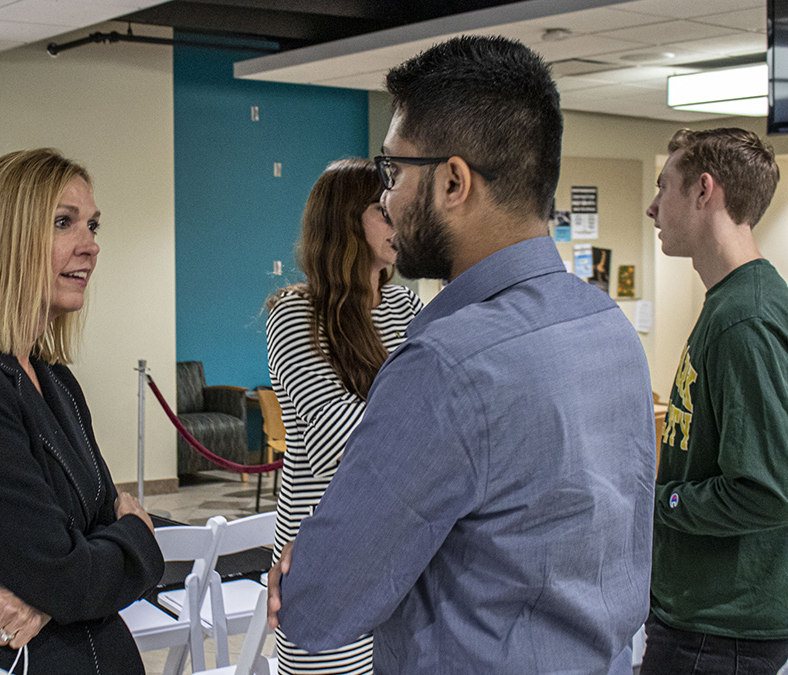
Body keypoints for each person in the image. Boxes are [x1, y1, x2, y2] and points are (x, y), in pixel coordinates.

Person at [267, 36, 655, 674]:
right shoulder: (607, 326)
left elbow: (317, 608)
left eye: (393, 172)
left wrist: (315, 565)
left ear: (452, 182)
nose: (387, 198)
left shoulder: (448, 364)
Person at [0, 148, 164, 673]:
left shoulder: (54, 379)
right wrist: (136, 538)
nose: (90, 246)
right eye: (64, 223)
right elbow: (69, 570)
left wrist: (53, 586)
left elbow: (69, 563)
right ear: (5, 239)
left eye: (92, 225)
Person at [265, 158, 423, 674]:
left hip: (402, 554)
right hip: (325, 552)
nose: (397, 219)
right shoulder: (294, 313)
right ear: (344, 222)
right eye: (382, 210)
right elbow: (342, 446)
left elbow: (449, 422)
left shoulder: (410, 308)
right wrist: (420, 433)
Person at [643, 128, 788, 674]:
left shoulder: (744, 318)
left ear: (705, 191)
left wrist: (662, 504)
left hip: (720, 632)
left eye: (664, 188)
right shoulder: (732, 303)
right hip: (703, 621)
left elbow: (766, 493)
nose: (652, 207)